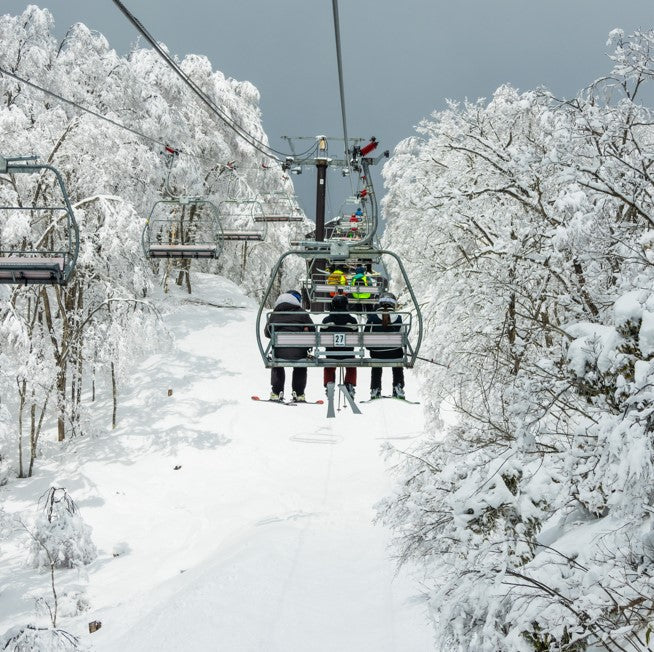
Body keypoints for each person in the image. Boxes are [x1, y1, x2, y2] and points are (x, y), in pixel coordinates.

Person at [264, 290, 313, 402]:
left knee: (276, 361)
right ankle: (299, 393)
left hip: (280, 352)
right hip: (299, 352)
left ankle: (277, 392)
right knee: (301, 364)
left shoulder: (275, 314)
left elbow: (267, 333)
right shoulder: (302, 313)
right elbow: (313, 331)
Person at [365, 292, 405, 399]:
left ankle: (375, 388)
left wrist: (372, 348)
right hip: (395, 352)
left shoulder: (372, 318)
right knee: (398, 361)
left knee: (376, 365)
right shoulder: (399, 318)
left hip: (377, 353)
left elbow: (365, 336)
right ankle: (398, 386)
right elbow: (403, 339)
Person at [321, 294, 358, 397]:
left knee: (329, 365)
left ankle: (329, 384)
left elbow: (321, 336)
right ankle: (349, 384)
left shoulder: (326, 320)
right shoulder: (352, 320)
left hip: (331, 354)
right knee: (351, 365)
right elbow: (357, 336)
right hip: (348, 354)